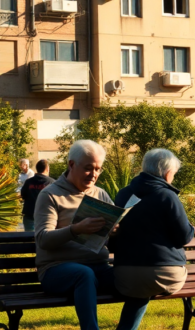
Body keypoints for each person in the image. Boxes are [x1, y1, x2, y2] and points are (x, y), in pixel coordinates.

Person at [34, 140, 147, 330]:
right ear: (71, 164)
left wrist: (115, 231)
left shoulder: (100, 194)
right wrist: (75, 229)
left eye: (98, 169)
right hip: (56, 270)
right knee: (83, 274)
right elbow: (43, 239)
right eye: (88, 168)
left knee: (141, 280)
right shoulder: (50, 195)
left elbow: (114, 237)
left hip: (98, 268)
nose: (94, 174)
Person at [110, 149, 195, 328]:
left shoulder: (123, 194)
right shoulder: (168, 196)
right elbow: (184, 237)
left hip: (125, 276)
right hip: (165, 276)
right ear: (167, 173)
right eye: (174, 174)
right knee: (147, 284)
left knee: (140, 292)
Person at [20, 159, 54, 231]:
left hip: (29, 217)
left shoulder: (28, 182)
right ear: (47, 169)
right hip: (47, 218)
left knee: (29, 240)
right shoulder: (52, 183)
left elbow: (22, 195)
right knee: (45, 240)